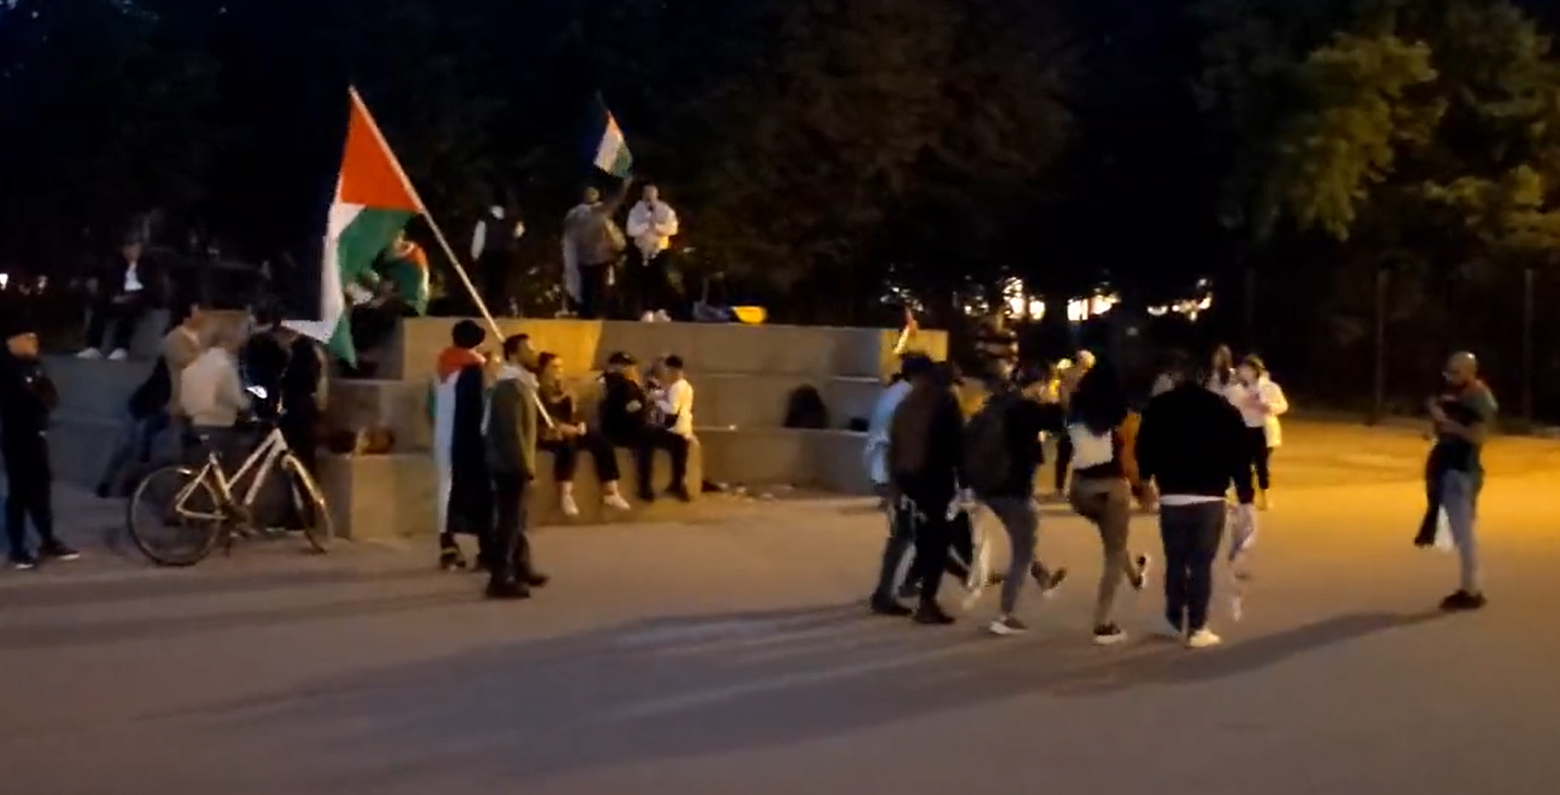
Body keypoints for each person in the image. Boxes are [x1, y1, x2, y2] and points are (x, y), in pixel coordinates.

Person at [1135, 351, 1255, 649]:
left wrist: (1146, 480)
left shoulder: (1159, 407)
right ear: (1207, 378)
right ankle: (1198, 627)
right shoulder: (1223, 409)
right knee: (1201, 563)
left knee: (1176, 560)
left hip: (1172, 495)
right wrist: (1245, 497)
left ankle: (1173, 619)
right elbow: (1240, 455)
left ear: (1177, 376)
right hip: (1209, 496)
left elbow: (1144, 448)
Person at [963, 356, 1069, 636]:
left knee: (1021, 539)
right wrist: (1062, 392)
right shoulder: (1027, 409)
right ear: (1039, 385)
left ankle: (1043, 576)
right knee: (1022, 550)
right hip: (1015, 489)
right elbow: (1061, 421)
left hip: (989, 488)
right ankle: (1005, 615)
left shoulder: (996, 405)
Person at [1064, 360, 1152, 645]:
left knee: (1112, 536)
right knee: (1113, 552)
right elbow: (1128, 462)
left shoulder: (1074, 411)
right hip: (1111, 487)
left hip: (1080, 490)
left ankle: (1136, 577)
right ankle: (1103, 623)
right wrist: (1142, 490)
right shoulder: (1124, 418)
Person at [884, 353, 966, 625]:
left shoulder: (907, 403)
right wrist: (965, 480)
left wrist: (896, 483)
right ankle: (927, 602)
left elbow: (894, 443)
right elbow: (954, 444)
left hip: (909, 479)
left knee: (924, 537)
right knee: (938, 541)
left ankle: (913, 588)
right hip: (935, 478)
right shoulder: (944, 402)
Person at [95, 302, 206, 498]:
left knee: (149, 448)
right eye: (198, 310)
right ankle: (109, 481)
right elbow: (183, 367)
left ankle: (131, 484)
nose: (203, 315)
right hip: (151, 400)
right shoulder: (175, 339)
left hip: (168, 404)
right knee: (130, 444)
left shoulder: (201, 341)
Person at [1415, 351, 1497, 612]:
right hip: (1448, 468)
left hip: (1463, 470)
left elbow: (1478, 436)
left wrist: (1446, 423)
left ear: (1470, 371)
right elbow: (1440, 428)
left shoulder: (1479, 396)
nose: (1449, 377)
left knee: (1464, 534)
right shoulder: (1455, 393)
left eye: (1455, 372)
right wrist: (1434, 424)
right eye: (1448, 371)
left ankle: (1472, 590)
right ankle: (1470, 588)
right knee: (1460, 532)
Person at [1, 314, 78, 569]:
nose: (34, 342)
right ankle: (17, 548)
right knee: (19, 493)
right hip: (16, 437)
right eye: (29, 338)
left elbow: (50, 397)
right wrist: (35, 392)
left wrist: (38, 390)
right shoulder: (7, 368)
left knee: (42, 491)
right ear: (14, 340)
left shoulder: (35, 365)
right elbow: (22, 399)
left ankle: (48, 539)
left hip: (37, 435)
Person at [484, 334, 547, 598]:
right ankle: (501, 576)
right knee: (509, 523)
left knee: (517, 519)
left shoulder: (522, 384)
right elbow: (512, 433)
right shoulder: (509, 387)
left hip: (513, 462)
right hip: (510, 465)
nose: (534, 353)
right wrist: (525, 467)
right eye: (527, 349)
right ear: (513, 355)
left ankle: (521, 566)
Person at [865, 354, 929, 616]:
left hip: (883, 470)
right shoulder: (906, 398)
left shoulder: (893, 393)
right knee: (904, 534)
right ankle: (885, 593)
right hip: (892, 473)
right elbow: (900, 441)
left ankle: (891, 589)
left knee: (905, 533)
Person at [534, 352, 632, 516]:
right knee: (568, 446)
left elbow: (576, 412)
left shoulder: (565, 388)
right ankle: (565, 494)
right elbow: (541, 418)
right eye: (554, 367)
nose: (559, 370)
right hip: (550, 433)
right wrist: (563, 428)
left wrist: (580, 424)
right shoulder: (537, 391)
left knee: (600, 440)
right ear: (543, 369)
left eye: (560, 366)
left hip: (571, 429)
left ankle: (611, 491)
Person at [432, 320, 492, 571]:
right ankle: (487, 549)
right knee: (478, 494)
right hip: (467, 440)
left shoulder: (443, 364)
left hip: (443, 436)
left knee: (445, 489)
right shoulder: (474, 369)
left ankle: (447, 544)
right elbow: (479, 409)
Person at [79, 238, 168, 361]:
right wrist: (113, 296)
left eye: (131, 247)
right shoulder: (119, 264)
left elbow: (152, 288)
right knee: (99, 304)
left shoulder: (149, 264)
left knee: (130, 309)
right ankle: (94, 346)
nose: (127, 252)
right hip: (121, 296)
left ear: (139, 248)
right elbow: (111, 284)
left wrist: (130, 296)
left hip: (141, 298)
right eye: (125, 248)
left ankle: (121, 347)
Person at [179, 326, 252, 468]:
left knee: (197, 466)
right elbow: (234, 397)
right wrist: (249, 405)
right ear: (229, 342)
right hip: (219, 424)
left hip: (194, 422)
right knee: (236, 462)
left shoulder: (195, 363)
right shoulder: (225, 366)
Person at [562, 181, 633, 319]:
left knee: (598, 287)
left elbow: (615, 202)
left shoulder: (598, 211)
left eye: (594, 192)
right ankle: (589, 313)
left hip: (600, 256)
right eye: (589, 192)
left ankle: (596, 313)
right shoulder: (581, 213)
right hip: (587, 257)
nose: (592, 195)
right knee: (589, 288)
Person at [1233, 355, 1288, 510]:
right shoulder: (1237, 389)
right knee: (1242, 467)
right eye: (1242, 370)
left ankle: (1265, 495)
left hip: (1262, 431)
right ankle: (1246, 499)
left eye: (1248, 370)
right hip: (1242, 430)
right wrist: (1240, 404)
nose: (1244, 373)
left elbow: (1283, 405)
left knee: (1262, 466)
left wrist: (1268, 407)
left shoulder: (1270, 387)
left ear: (1256, 370)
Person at [638, 355, 695, 502]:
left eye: (667, 370)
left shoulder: (676, 387)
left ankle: (645, 485)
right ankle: (678, 483)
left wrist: (656, 402)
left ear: (672, 370)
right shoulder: (685, 385)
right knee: (679, 457)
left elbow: (671, 409)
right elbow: (665, 395)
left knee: (645, 438)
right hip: (683, 430)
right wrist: (656, 395)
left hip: (673, 430)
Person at [625, 183, 681, 322]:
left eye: (652, 194)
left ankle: (660, 310)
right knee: (644, 281)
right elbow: (631, 230)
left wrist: (656, 227)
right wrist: (646, 225)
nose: (649, 197)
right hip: (642, 251)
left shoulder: (665, 209)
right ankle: (647, 310)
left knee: (661, 280)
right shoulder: (636, 210)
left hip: (660, 250)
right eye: (647, 194)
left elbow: (673, 228)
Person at [1051, 351, 1096, 498]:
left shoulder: (1067, 376)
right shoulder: (1087, 377)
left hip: (1072, 419)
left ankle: (1060, 488)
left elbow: (1063, 399)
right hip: (1080, 420)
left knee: (1065, 455)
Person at [471, 203, 523, 315]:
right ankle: (504, 307)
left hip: (489, 255)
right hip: (506, 256)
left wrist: (475, 255)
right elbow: (518, 233)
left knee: (490, 284)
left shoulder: (485, 221)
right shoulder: (511, 221)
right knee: (503, 284)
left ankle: (492, 309)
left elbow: (478, 239)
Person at [597, 351, 649, 447]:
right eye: (626, 366)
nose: (631, 370)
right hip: (620, 431)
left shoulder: (623, 383)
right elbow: (632, 408)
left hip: (617, 429)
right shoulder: (622, 384)